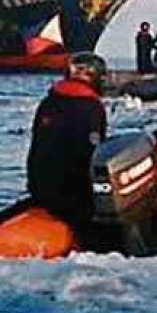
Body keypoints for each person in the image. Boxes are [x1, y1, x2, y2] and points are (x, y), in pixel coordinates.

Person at [26, 52, 109, 244]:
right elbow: (90, 153)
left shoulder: (48, 102)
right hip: (72, 196)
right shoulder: (91, 107)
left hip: (40, 189)